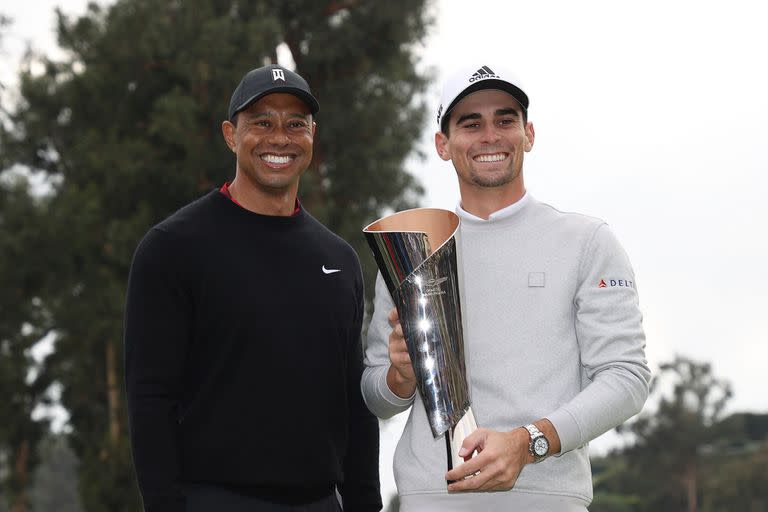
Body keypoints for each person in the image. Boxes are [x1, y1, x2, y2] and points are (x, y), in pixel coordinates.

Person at [361, 63, 651, 511]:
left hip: (548, 498)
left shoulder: (587, 241)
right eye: (470, 124)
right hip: (430, 499)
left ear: (528, 134)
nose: (490, 135)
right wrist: (400, 377)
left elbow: (626, 377)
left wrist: (529, 442)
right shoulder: (410, 250)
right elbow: (377, 397)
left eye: (505, 119)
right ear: (443, 144)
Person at [125, 64, 381, 512]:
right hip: (212, 499)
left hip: (321, 502)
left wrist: (365, 503)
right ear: (230, 134)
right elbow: (150, 396)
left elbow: (352, 400)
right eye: (261, 122)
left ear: (312, 136)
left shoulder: (340, 260)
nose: (279, 137)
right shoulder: (172, 248)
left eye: (295, 124)